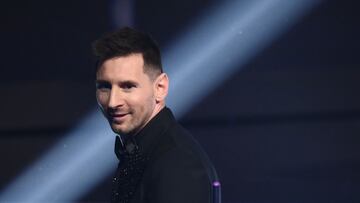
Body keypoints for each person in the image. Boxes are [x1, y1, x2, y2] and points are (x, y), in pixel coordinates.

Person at [92, 27, 220, 203]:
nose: (113, 102)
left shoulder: (177, 163)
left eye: (128, 86)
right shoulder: (145, 153)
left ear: (160, 88)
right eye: (104, 86)